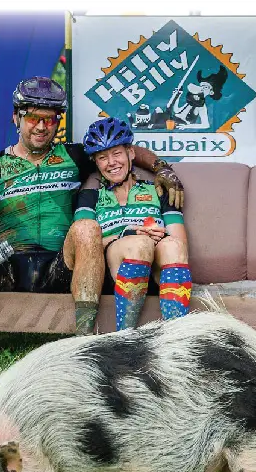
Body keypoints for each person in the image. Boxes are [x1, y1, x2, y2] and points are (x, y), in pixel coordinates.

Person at [0, 76, 185, 385]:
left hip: (60, 263)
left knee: (86, 227)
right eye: (33, 117)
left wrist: (162, 168)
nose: (41, 126)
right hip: (4, 259)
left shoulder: (73, 156)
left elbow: (124, 150)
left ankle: (81, 346)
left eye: (50, 119)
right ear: (16, 118)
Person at [74, 117, 191, 331]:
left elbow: (180, 243)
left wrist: (160, 236)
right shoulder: (90, 197)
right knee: (138, 244)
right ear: (96, 163)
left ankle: (176, 335)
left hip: (158, 270)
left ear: (131, 154)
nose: (111, 163)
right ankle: (125, 336)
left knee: (172, 245)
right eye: (102, 157)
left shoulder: (157, 190)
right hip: (115, 272)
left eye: (117, 153)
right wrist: (125, 235)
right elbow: (84, 247)